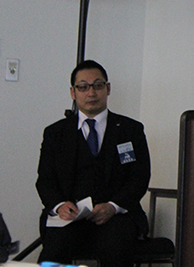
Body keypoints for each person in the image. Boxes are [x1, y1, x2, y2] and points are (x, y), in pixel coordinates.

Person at [35, 59, 151, 267]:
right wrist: (60, 205)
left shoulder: (130, 130)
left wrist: (113, 207)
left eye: (97, 85)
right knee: (53, 252)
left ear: (108, 89)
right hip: (70, 217)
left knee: (116, 246)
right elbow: (45, 180)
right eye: (83, 87)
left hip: (117, 216)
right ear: (73, 92)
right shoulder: (56, 133)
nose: (91, 93)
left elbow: (139, 177)